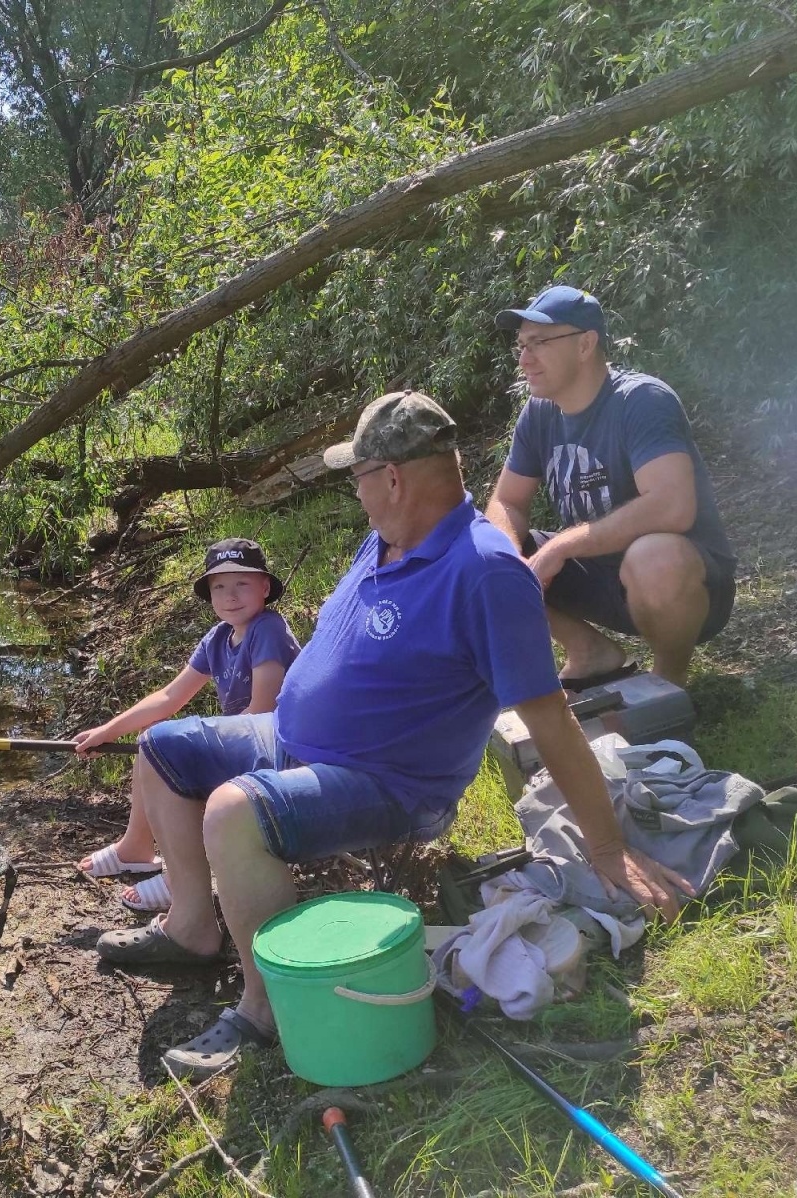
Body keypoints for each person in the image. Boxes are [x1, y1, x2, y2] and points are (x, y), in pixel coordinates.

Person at [93, 391, 693, 1079]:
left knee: (234, 810)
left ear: (394, 477)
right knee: (165, 746)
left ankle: (265, 1012)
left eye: (358, 476)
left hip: (389, 784)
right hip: (292, 739)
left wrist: (608, 846)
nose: (356, 490)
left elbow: (549, 719)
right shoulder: (385, 540)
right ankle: (193, 930)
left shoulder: (485, 573)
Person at [484, 285, 737, 689]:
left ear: (585, 345)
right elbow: (506, 500)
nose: (525, 359)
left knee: (653, 555)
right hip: (600, 577)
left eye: (539, 343)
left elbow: (672, 507)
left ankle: (668, 682)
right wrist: (507, 562)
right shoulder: (539, 413)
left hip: (686, 584)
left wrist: (561, 547)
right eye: (521, 346)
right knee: (481, 550)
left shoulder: (642, 401)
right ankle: (590, 652)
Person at [74, 538, 301, 911]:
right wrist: (107, 731)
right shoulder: (218, 638)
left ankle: (178, 878)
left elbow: (263, 712)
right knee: (156, 743)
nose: (230, 596)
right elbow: (169, 697)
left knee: (179, 754)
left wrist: (201, 743)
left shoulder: (268, 631)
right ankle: (135, 847)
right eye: (219, 587)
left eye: (242, 583)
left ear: (264, 587)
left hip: (276, 747)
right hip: (245, 740)